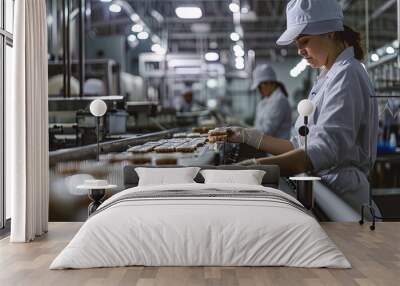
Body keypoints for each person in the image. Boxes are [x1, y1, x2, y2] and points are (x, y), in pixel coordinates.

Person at [209, 0, 378, 213]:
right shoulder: (327, 77)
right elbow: (300, 146)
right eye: (297, 44)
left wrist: (257, 167)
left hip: (344, 203)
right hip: (324, 192)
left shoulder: (347, 74)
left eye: (304, 41)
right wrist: (247, 136)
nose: (299, 51)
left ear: (331, 33)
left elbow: (324, 149)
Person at [251, 64, 292, 139]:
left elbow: (268, 131)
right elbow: (257, 125)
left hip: (278, 149)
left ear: (269, 83)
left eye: (260, 86)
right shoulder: (264, 101)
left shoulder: (280, 101)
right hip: (265, 145)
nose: (259, 90)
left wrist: (245, 132)